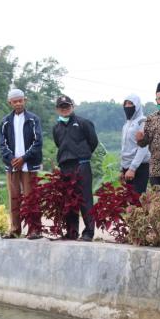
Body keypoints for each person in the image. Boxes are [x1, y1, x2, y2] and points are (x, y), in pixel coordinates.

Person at [52, 95, 99, 241]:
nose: (65, 109)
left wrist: (82, 154)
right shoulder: (56, 127)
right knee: (69, 200)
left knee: (85, 199)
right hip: (65, 166)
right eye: (62, 107)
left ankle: (88, 232)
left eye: (67, 106)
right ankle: (72, 232)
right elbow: (58, 144)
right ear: (57, 110)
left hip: (82, 164)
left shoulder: (83, 123)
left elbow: (93, 142)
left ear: (73, 106)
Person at [0, 88, 43, 239]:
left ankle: (34, 230)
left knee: (31, 198)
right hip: (12, 166)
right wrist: (12, 159)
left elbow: (38, 143)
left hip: (29, 166)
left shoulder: (33, 119)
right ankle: (15, 230)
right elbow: (2, 144)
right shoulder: (5, 121)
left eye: (20, 100)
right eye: (15, 101)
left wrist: (23, 158)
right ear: (9, 102)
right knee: (14, 198)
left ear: (25, 100)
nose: (18, 103)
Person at [120, 94, 150, 194]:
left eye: (131, 103)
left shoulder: (143, 121)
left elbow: (143, 147)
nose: (128, 106)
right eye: (126, 104)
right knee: (129, 200)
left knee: (138, 200)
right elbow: (125, 147)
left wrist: (132, 169)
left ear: (137, 105)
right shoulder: (127, 124)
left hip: (139, 166)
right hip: (126, 166)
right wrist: (122, 168)